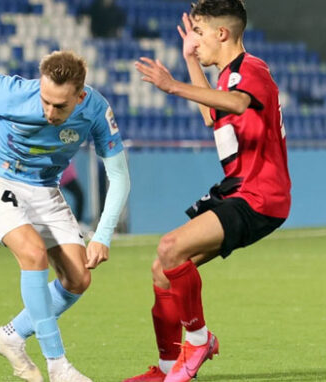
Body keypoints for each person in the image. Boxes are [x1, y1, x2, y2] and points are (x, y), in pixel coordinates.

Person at [0, 50, 131, 382]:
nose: (49, 111)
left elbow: (119, 175)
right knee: (33, 254)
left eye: (60, 106)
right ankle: (58, 365)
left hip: (44, 188)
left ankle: (11, 337)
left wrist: (102, 236)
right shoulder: (14, 92)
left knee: (78, 278)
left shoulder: (96, 110)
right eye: (46, 101)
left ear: (80, 96)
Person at [127, 1, 291, 381]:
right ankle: (168, 368)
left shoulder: (251, 69)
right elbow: (211, 114)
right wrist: (191, 63)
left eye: (199, 33)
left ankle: (200, 340)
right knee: (163, 270)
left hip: (260, 196)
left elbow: (235, 103)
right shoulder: (227, 76)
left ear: (222, 34)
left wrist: (172, 85)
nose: (194, 41)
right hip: (237, 191)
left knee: (170, 248)